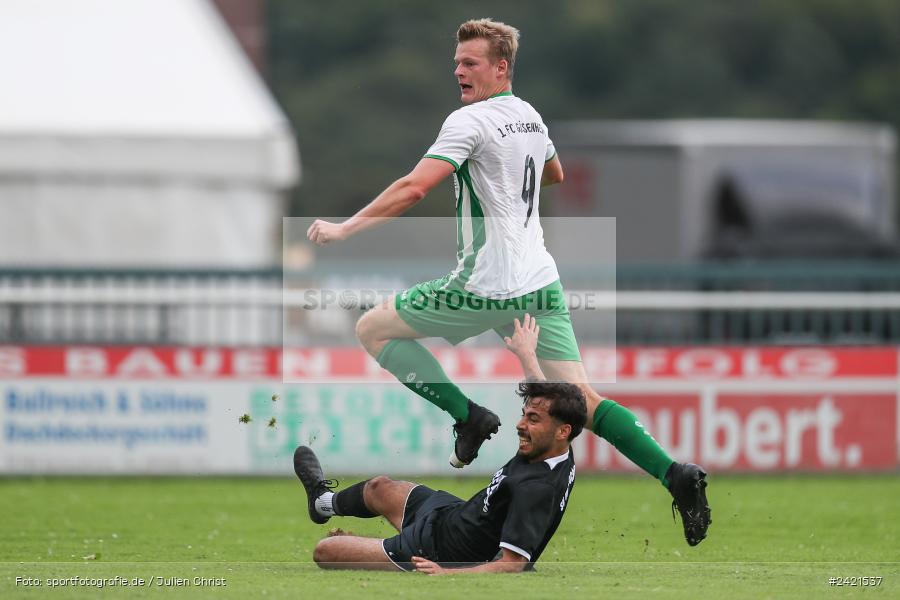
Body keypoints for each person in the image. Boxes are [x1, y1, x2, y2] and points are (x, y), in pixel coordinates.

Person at [306, 19, 710, 546]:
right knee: (581, 400)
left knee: (372, 330)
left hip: (484, 287)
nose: (459, 71)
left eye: (470, 63)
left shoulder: (466, 122)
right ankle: (672, 473)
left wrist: (345, 229)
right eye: (456, 63)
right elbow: (555, 173)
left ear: (501, 68)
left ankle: (467, 416)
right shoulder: (529, 116)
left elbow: (411, 189)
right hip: (540, 282)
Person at [295, 315, 585, 573]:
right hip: (453, 515)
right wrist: (526, 354)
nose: (521, 425)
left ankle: (375, 547)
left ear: (562, 431)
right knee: (379, 487)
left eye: (532, 419)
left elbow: (514, 563)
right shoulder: (556, 444)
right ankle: (322, 504)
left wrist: (447, 573)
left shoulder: (537, 488)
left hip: (439, 551)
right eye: (525, 415)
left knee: (326, 550)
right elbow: (545, 397)